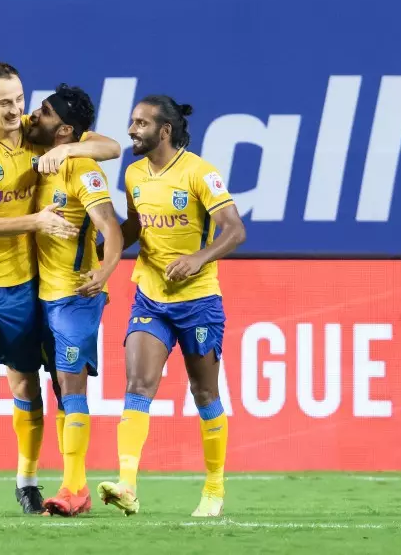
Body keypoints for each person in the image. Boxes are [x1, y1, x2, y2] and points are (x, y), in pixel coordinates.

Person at [0, 63, 121, 517]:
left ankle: (27, 482)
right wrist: (35, 221)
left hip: (22, 284)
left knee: (26, 384)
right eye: (4, 103)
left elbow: (110, 146)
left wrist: (69, 149)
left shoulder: (36, 132)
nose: (16, 110)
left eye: (19, 99)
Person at [97, 95, 246, 518]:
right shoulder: (134, 174)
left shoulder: (199, 172)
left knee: (204, 393)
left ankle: (214, 489)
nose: (132, 130)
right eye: (132, 122)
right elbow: (134, 227)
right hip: (151, 296)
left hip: (198, 302)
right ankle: (127, 485)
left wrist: (199, 258)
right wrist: (99, 252)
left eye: (141, 123)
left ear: (164, 130)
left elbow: (235, 230)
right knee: (137, 386)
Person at [24, 85, 122, 517]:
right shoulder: (38, 149)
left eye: (44, 111)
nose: (34, 114)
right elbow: (110, 144)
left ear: (64, 129)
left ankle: (71, 488)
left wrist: (104, 271)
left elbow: (111, 227)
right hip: (40, 294)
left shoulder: (82, 168)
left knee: (72, 385)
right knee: (59, 387)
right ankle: (76, 487)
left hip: (75, 294)